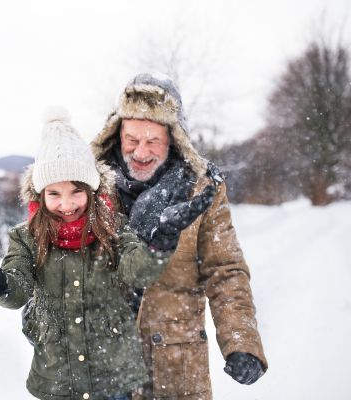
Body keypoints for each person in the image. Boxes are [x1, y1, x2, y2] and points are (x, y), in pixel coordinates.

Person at [0, 105, 213, 400]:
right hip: (57, 379)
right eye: (54, 193)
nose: (66, 205)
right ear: (40, 195)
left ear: (92, 190)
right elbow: (17, 287)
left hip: (112, 377)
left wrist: (163, 238)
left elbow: (137, 271)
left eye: (76, 191)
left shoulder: (114, 228)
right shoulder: (26, 237)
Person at [90, 73, 268, 400]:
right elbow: (61, 257)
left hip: (174, 363)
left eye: (153, 140)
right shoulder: (90, 186)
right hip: (102, 364)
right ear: (117, 134)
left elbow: (225, 269)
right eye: (132, 139)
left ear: (173, 138)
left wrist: (241, 341)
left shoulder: (201, 189)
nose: (141, 152)